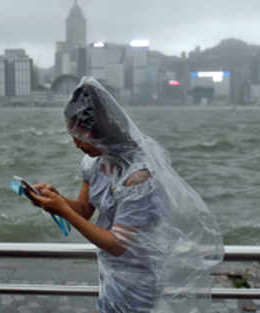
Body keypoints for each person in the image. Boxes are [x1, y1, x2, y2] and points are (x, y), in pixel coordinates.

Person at [30, 77, 223, 313]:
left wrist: (62, 210)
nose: (76, 144)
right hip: (110, 270)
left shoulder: (138, 176)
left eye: (80, 136)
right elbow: (83, 209)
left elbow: (117, 244)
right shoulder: (95, 163)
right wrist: (54, 200)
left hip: (137, 277)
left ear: (99, 132)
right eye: (72, 135)